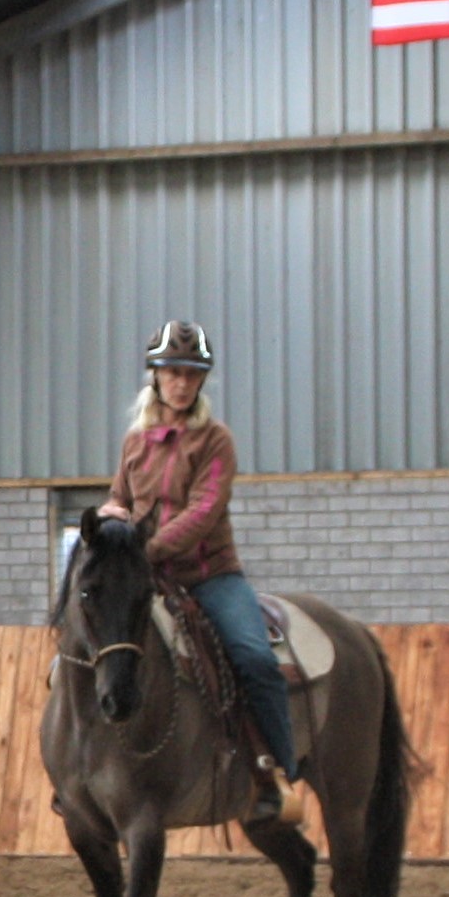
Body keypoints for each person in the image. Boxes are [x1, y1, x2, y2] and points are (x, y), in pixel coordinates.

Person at [99, 320, 303, 818]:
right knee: (96, 644)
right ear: (156, 376)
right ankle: (82, 768)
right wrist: (111, 517)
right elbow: (119, 499)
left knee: (254, 657)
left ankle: (274, 771)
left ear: (201, 381)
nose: (182, 383)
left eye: (192, 374)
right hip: (150, 576)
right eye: (174, 372)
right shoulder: (135, 443)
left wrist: (144, 551)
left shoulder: (215, 441)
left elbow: (203, 511)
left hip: (211, 577)